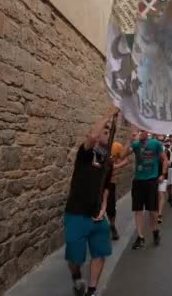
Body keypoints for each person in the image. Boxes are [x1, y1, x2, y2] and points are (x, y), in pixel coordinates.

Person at [63, 109, 118, 296]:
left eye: (110, 131)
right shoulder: (85, 154)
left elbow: (107, 187)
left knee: (100, 253)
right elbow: (93, 135)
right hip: (76, 213)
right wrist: (109, 113)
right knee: (74, 258)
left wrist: (104, 207)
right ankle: (77, 276)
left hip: (97, 216)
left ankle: (92, 290)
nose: (107, 132)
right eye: (105, 130)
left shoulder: (108, 162)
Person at [120, 129, 168, 249]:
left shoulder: (156, 144)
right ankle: (140, 237)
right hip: (138, 181)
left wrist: (162, 174)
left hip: (152, 181)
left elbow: (165, 159)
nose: (140, 132)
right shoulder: (135, 144)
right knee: (138, 210)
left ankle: (155, 231)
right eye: (138, 130)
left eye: (142, 130)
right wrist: (129, 141)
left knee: (152, 211)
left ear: (147, 131)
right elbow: (122, 155)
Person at [107, 141, 131, 241]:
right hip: (97, 182)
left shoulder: (116, 146)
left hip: (111, 181)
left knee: (111, 207)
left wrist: (115, 166)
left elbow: (126, 160)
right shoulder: (97, 146)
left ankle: (112, 226)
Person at [157, 139, 172, 224]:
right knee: (156, 195)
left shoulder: (168, 151)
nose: (160, 142)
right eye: (159, 140)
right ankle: (155, 211)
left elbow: (170, 163)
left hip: (163, 175)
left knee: (161, 194)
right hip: (153, 175)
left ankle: (159, 214)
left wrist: (165, 161)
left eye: (162, 140)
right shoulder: (153, 150)